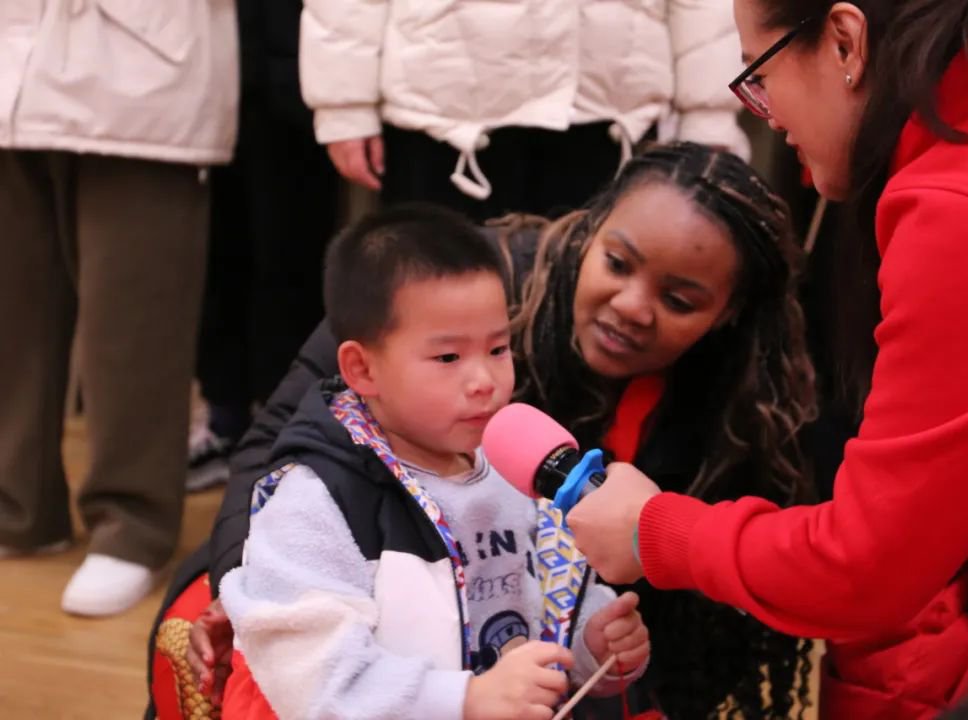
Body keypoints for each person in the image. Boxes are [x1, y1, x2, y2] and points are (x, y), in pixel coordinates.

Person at [151, 143, 820, 719]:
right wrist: (243, 590)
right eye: (618, 263)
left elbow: (553, 589)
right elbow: (277, 466)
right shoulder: (435, 295)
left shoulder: (522, 461)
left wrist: (600, 649)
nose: (632, 306)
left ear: (729, 314)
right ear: (589, 232)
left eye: (678, 300)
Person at [564, 1, 968, 718]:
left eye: (760, 75)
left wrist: (653, 532)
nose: (766, 113)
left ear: (844, 40)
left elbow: (866, 567)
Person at [217, 205, 650, 719]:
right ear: (362, 368)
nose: (484, 380)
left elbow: (549, 590)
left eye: (497, 348)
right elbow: (314, 679)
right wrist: (464, 700)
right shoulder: (316, 500)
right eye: (448, 358)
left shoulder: (514, 462)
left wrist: (591, 643)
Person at [0, 2, 238, 616]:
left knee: (131, 323)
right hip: (13, 60)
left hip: (141, 69)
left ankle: (132, 523)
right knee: (13, 313)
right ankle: (17, 507)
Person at [302, 0, 751, 221]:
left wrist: (709, 110)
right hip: (445, 118)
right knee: (434, 317)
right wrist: (345, 106)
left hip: (607, 116)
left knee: (585, 322)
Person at [187, 0, 341, 491]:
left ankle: (285, 428)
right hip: (206, 76)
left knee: (290, 265)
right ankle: (224, 416)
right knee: (217, 260)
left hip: (300, 83)